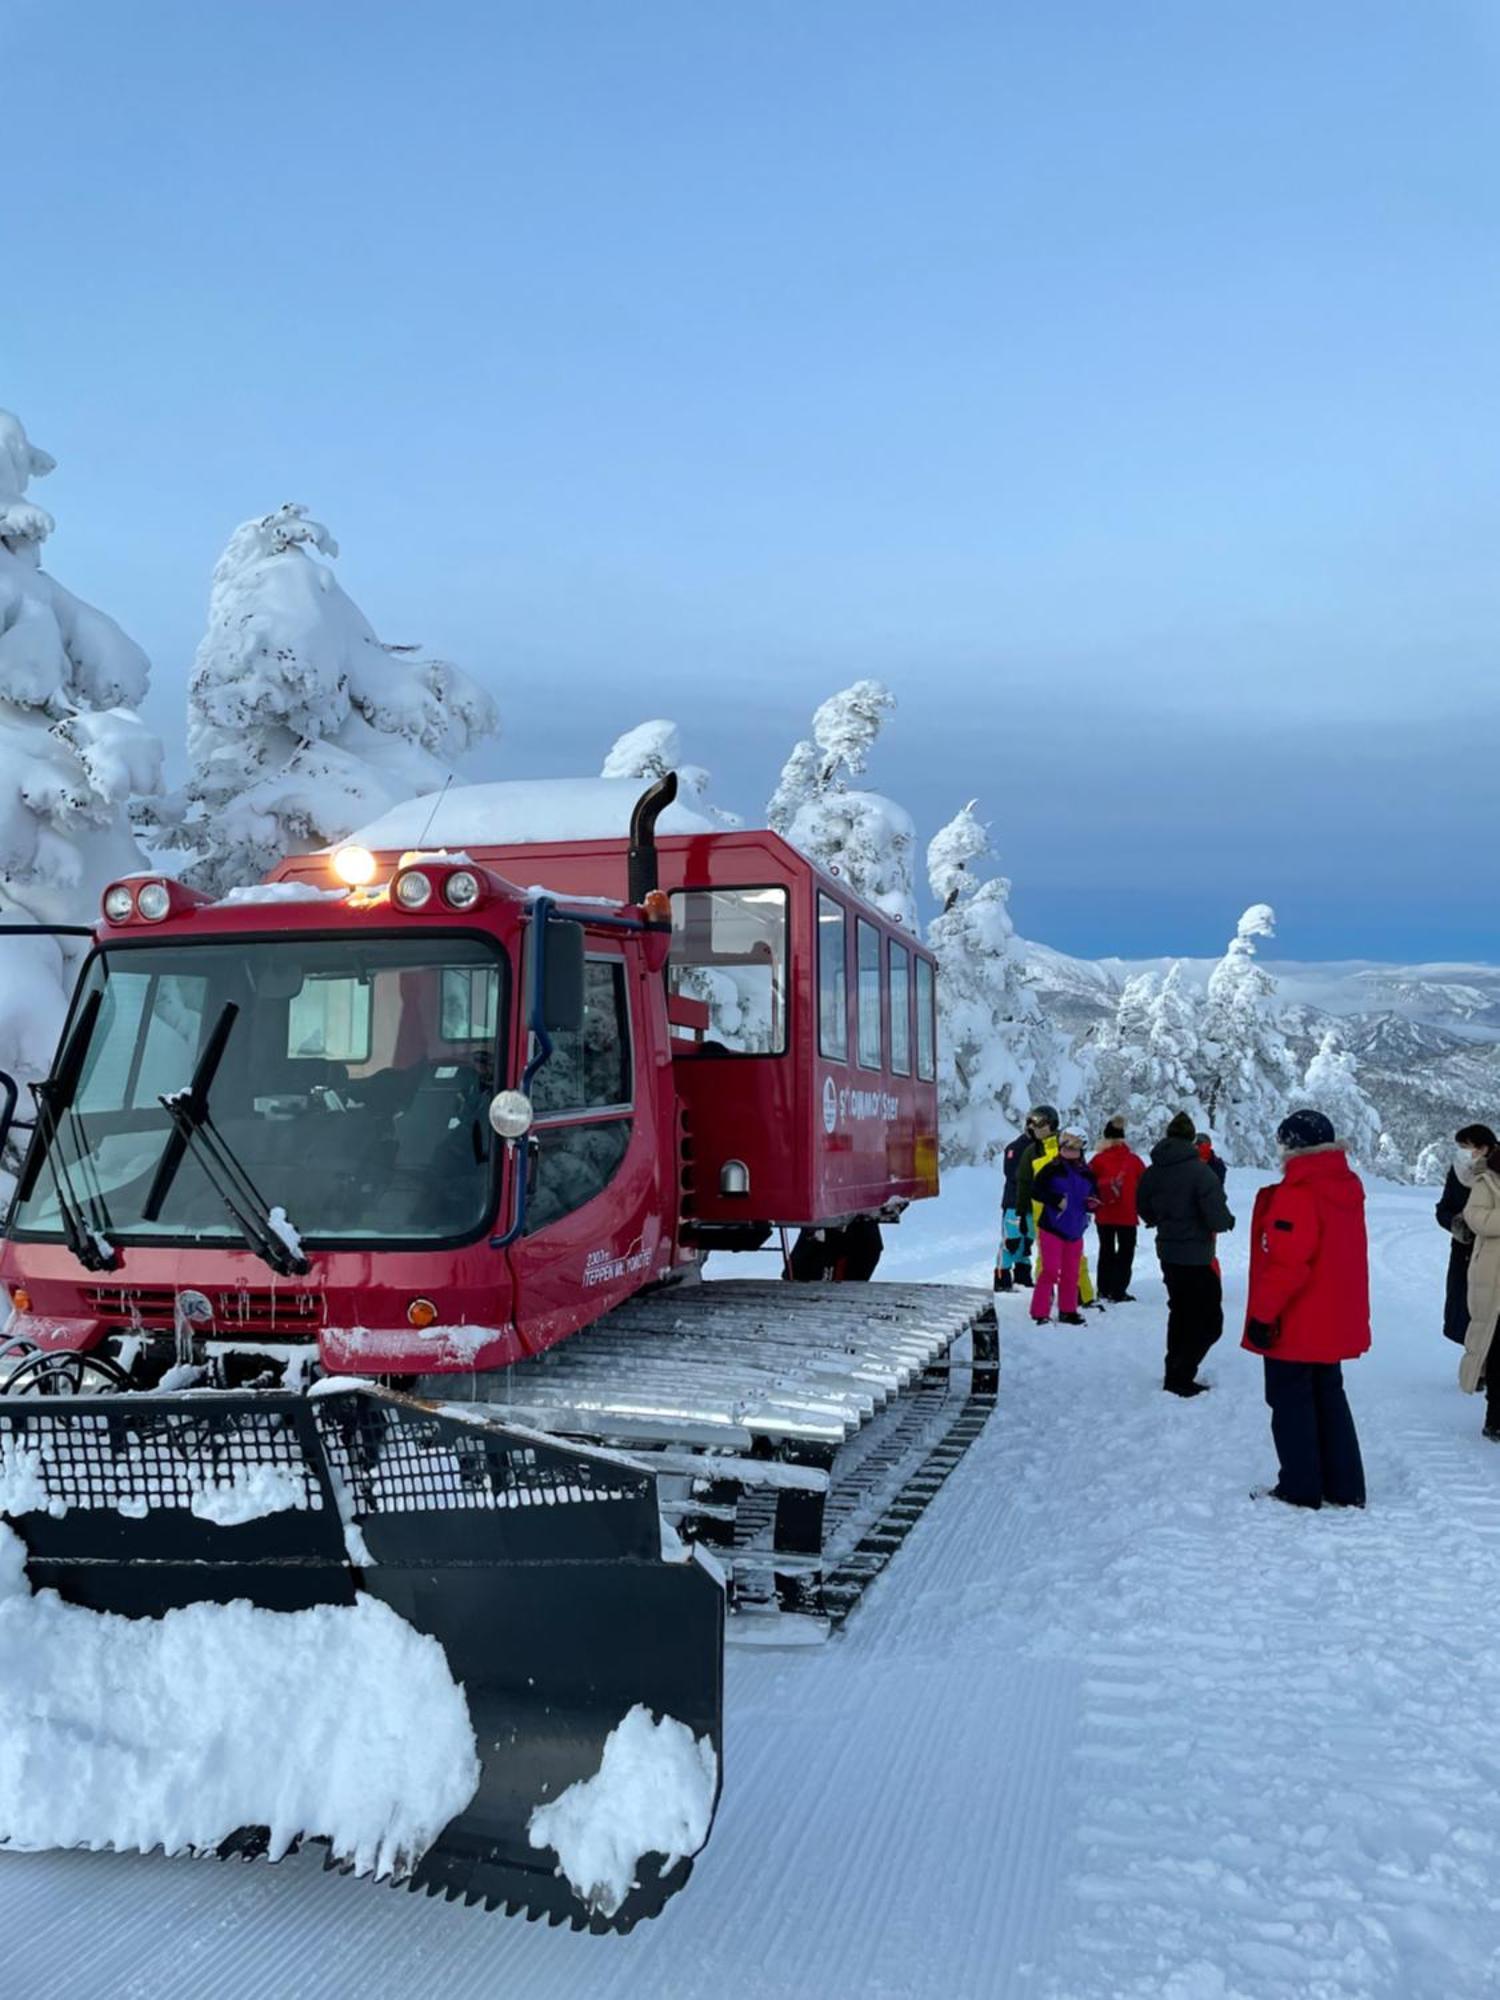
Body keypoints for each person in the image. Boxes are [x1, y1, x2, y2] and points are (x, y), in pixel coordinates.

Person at [1244, 1109, 1369, 1508]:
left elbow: (1287, 1264)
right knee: (1329, 1397)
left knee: (1291, 1401)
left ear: (1293, 1146)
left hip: (1296, 1321)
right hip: (1330, 1318)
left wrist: (1264, 1315)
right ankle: (1344, 1486)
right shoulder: (1344, 1186)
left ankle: (1300, 1487)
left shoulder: (1298, 1192)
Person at [1136, 1110, 1236, 1396]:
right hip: (1197, 1255)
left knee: (1180, 1313)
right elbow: (1217, 1216)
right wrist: (1226, 1222)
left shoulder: (1154, 1170)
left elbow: (1143, 1206)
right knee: (1208, 1321)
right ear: (1192, 1139)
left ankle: (1175, 1372)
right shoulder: (1200, 1172)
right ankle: (1181, 1375)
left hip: (1167, 1251)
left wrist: (1162, 1220)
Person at [1019, 1105, 1103, 1309]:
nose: (1033, 1126)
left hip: (1072, 1218)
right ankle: (1043, 1304)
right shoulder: (1032, 1150)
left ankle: (1082, 1296)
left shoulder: (1066, 1143)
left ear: (1051, 1123)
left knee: (1075, 1262)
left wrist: (1091, 1203)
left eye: (1038, 1121)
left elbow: (1086, 1182)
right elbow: (1024, 1183)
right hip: (1045, 1217)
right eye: (1030, 1121)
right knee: (1047, 1264)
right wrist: (1021, 1213)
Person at [1456, 1131, 1500, 1441]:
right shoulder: (1488, 1182)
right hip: (1493, 1277)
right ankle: (1495, 1417)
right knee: (1496, 1347)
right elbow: (1477, 1219)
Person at [1030, 1130, 1097, 1326]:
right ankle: (1039, 1312)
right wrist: (1055, 1200)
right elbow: (1036, 1191)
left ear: (1081, 1149)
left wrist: (1093, 1203)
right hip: (1052, 1226)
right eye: (1066, 1147)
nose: (1069, 1151)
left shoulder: (1087, 1172)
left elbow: (1093, 1194)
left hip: (1075, 1228)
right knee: (1050, 1270)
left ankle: (1068, 1310)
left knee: (1071, 1272)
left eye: (1073, 1148)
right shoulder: (1052, 1168)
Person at [1438, 1124, 1496, 1346]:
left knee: (1490, 1312)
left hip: (1492, 1253)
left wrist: (1483, 1222)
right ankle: (1476, 1369)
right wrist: (1456, 1224)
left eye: (1466, 1147)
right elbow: (1443, 1208)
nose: (1462, 1152)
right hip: (1464, 1251)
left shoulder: (1496, 1170)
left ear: (1483, 1148)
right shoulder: (1459, 1170)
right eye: (1459, 1147)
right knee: (1464, 1311)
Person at [1089, 1117, 1145, 1302]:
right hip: (1127, 1214)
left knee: (1106, 1250)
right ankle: (1119, 1290)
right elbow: (1144, 1185)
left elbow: (1088, 1184)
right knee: (1126, 1252)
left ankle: (1104, 1289)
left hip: (1104, 1214)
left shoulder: (1097, 1160)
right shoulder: (1133, 1160)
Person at [995, 1117, 1038, 1291]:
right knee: (1010, 1241)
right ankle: (1002, 1277)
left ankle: (1023, 1276)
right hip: (1014, 1202)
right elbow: (1013, 1174)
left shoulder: (1042, 1148)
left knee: (1027, 1241)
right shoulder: (1015, 1148)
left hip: (1033, 1204)